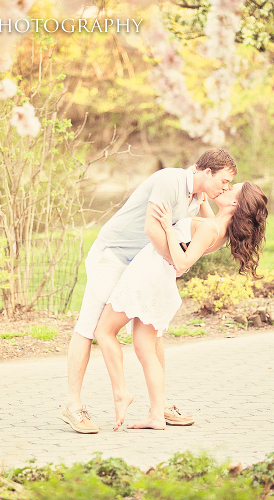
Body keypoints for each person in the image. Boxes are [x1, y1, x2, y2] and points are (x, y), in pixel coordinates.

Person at [62, 149, 237, 434]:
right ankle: (73, 405)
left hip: (139, 266)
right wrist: (175, 263)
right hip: (114, 257)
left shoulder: (195, 199)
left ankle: (160, 407)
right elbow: (151, 230)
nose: (225, 188)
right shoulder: (171, 180)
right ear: (208, 172)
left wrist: (171, 264)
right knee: (90, 326)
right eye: (224, 181)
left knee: (151, 330)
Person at [98, 182, 268, 430]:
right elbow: (204, 226)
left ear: (235, 203)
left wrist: (168, 228)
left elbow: (182, 263)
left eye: (232, 188)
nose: (226, 187)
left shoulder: (212, 228)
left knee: (106, 332)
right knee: (148, 347)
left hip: (150, 277)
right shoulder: (220, 227)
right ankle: (157, 413)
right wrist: (201, 199)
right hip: (156, 279)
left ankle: (125, 396)